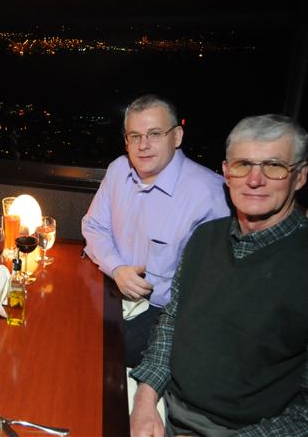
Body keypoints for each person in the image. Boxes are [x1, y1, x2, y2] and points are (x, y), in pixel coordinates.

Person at [130, 114, 308, 436]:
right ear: (227, 172)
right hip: (165, 407)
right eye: (243, 165)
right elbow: (171, 324)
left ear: (299, 176)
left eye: (274, 166)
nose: (255, 180)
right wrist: (144, 400)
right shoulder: (204, 237)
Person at [81, 94, 230, 367]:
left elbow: (211, 290)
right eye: (135, 136)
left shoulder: (209, 195)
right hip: (109, 287)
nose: (143, 145)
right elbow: (94, 226)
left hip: (163, 313)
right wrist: (117, 268)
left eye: (155, 134)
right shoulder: (118, 170)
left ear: (177, 136)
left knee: (92, 355)